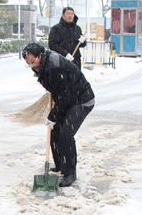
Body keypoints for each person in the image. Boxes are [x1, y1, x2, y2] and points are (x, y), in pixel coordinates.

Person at [22, 42, 95, 187]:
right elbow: (60, 91)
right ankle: (61, 163)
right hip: (68, 100)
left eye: (33, 62)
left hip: (82, 100)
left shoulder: (54, 67)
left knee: (66, 133)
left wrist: (53, 115)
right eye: (28, 64)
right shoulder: (43, 64)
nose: (32, 66)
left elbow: (65, 95)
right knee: (54, 132)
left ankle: (70, 173)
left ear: (40, 55)